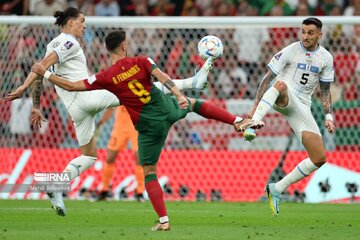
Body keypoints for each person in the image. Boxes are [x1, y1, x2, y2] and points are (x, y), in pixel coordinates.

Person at [31, 29, 263, 231]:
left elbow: (72, 85)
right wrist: (180, 96)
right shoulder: (141, 60)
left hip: (135, 122)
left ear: (106, 49)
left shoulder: (105, 75)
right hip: (166, 110)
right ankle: (236, 120)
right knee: (194, 104)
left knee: (145, 169)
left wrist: (45, 74)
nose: (83, 25)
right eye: (81, 22)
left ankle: (163, 220)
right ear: (124, 45)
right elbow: (162, 77)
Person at [5, 7, 215, 217]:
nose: (84, 25)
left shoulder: (51, 45)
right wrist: (24, 88)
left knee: (88, 156)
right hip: (86, 97)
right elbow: (41, 67)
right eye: (82, 20)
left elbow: (40, 72)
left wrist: (35, 105)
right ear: (70, 22)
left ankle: (57, 186)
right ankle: (191, 82)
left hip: (74, 108)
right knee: (135, 84)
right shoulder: (69, 42)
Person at [238, 17, 336, 216]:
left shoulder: (326, 58)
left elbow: (325, 90)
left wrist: (328, 115)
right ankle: (252, 124)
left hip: (302, 106)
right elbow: (268, 78)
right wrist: (253, 108)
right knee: (279, 84)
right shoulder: (290, 50)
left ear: (319, 35)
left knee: (319, 158)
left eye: (310, 33)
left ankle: (276, 188)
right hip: (283, 95)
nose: (305, 36)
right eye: (303, 32)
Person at [96, 106, 145, 201]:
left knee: (139, 159)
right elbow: (111, 107)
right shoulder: (118, 91)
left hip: (136, 127)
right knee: (110, 158)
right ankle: (104, 190)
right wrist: (102, 121)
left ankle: (140, 192)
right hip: (120, 127)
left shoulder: (140, 91)